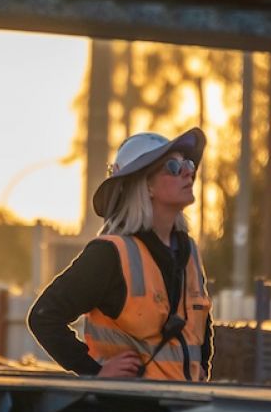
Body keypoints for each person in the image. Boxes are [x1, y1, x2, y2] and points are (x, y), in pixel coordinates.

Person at [27, 129, 212, 380]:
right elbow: (44, 317)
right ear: (145, 185)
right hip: (126, 411)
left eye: (188, 164)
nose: (189, 171)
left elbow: (201, 325)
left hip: (182, 409)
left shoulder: (188, 252)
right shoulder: (109, 255)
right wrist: (95, 371)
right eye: (173, 166)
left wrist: (201, 368)